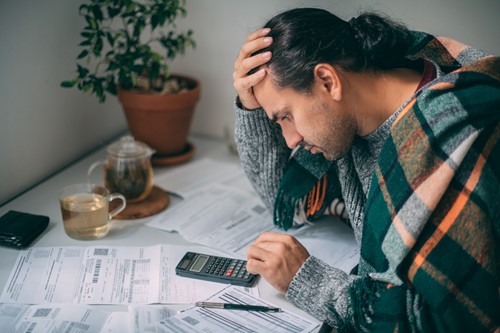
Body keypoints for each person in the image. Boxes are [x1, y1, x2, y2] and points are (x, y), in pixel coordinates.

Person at [232, 7, 499, 333]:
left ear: (327, 81)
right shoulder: (353, 123)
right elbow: (283, 200)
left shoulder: (452, 139)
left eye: (285, 116)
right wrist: (249, 105)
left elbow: (451, 322)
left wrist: (310, 281)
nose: (290, 141)